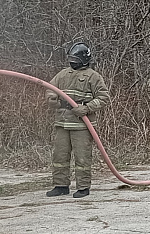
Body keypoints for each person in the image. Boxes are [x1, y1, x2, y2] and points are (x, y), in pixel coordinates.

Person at [45, 42, 111, 199]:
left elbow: (104, 97)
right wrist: (51, 98)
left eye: (75, 58)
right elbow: (49, 88)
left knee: (82, 157)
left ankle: (83, 187)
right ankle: (60, 186)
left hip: (81, 125)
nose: (72, 61)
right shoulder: (62, 74)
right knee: (60, 157)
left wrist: (87, 108)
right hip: (62, 123)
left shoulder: (93, 77)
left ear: (83, 59)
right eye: (70, 58)